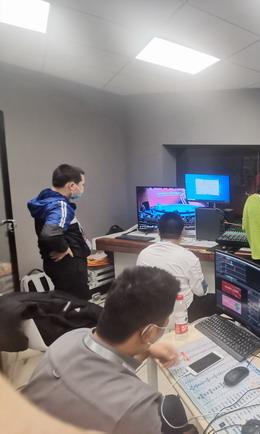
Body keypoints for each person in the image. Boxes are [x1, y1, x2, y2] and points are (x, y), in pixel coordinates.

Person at [22, 266, 193, 434]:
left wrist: (148, 348)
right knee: (171, 405)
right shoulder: (136, 405)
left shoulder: (69, 338)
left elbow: (109, 363)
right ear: (149, 332)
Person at [137, 212, 216, 322]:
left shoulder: (144, 254)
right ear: (183, 232)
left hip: (151, 313)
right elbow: (201, 292)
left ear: (158, 231)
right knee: (218, 301)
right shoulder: (188, 257)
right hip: (181, 315)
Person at [28, 164, 91, 300]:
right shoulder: (60, 205)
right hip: (69, 266)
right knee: (78, 303)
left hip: (56, 265)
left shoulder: (46, 199)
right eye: (82, 184)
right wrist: (64, 248)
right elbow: (50, 234)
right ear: (72, 185)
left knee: (64, 300)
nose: (83, 188)